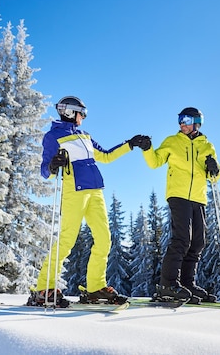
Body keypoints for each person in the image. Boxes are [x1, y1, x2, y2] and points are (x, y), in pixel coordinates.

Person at [29, 96, 150, 307]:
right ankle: (44, 289)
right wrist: (53, 165)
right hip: (74, 191)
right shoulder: (53, 136)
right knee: (67, 241)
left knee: (104, 239)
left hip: (95, 192)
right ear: (69, 112)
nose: (83, 117)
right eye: (81, 113)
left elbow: (105, 156)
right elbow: (44, 171)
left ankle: (95, 288)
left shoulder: (84, 135)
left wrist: (130, 144)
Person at [140, 107, 220, 302]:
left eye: (185, 119)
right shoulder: (172, 141)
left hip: (199, 198)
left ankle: (187, 284)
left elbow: (215, 177)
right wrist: (147, 149)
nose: (181, 123)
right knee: (182, 239)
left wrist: (214, 168)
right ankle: (168, 284)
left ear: (197, 122)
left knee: (198, 242)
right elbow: (155, 162)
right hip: (178, 194)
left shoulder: (207, 146)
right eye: (179, 119)